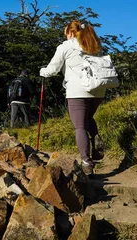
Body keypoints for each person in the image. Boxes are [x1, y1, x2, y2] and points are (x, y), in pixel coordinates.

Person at [39, 20, 106, 176]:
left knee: (80, 127)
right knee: (88, 117)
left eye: (66, 33)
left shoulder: (66, 47)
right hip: (98, 90)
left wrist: (42, 71)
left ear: (70, 32)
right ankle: (95, 137)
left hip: (77, 91)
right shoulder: (94, 45)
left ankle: (87, 164)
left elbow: (52, 69)